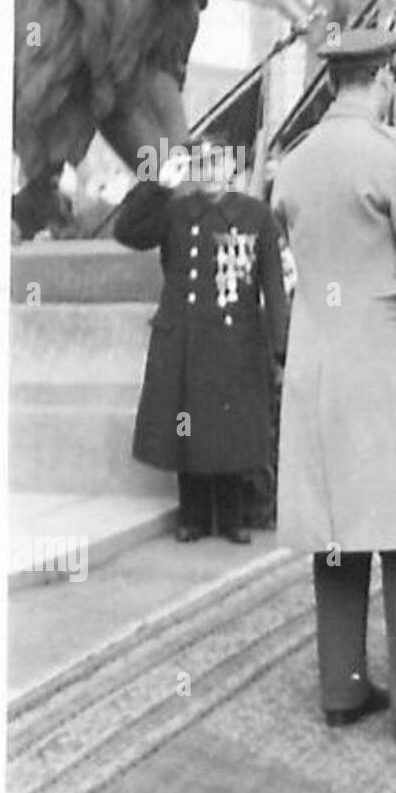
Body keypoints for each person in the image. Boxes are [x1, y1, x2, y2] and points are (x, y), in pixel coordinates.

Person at [272, 28, 396, 746]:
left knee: (336, 530)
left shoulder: (292, 162)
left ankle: (343, 689)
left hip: (319, 367)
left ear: (331, 81)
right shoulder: (393, 155)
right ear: (385, 77)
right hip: (388, 367)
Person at [114, 142, 287, 543]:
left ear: (233, 166)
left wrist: (281, 345)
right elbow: (127, 231)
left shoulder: (254, 215)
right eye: (203, 163)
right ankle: (191, 515)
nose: (210, 170)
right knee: (187, 428)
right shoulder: (175, 211)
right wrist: (158, 185)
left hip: (236, 339)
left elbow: (273, 286)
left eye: (218, 161)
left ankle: (231, 518)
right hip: (184, 338)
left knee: (230, 432)